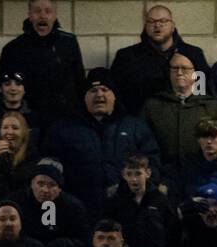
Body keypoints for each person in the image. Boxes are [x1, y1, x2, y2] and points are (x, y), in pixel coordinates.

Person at [41, 68, 160, 220]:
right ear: (84, 97)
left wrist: (142, 196)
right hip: (79, 211)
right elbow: (49, 167)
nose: (99, 94)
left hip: (127, 210)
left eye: (105, 89)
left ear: (114, 96)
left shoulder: (135, 127)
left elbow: (153, 163)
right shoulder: (63, 128)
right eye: (93, 90)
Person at [0, 0, 85, 128]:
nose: (42, 16)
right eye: (37, 11)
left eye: (48, 11)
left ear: (55, 16)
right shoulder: (13, 49)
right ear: (30, 16)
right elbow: (0, 89)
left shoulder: (68, 43)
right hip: (28, 120)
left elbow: (80, 81)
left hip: (64, 119)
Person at [110, 5, 212, 119]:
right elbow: (114, 95)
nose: (157, 25)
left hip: (183, 123)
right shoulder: (127, 57)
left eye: (163, 21)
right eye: (151, 21)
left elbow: (203, 92)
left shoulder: (193, 54)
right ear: (145, 26)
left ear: (173, 26)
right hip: (139, 124)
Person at [142, 54, 217, 177]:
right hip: (163, 178)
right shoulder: (153, 106)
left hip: (203, 177)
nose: (179, 72)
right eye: (174, 68)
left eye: (185, 68)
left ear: (196, 74)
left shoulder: (211, 106)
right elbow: (143, 145)